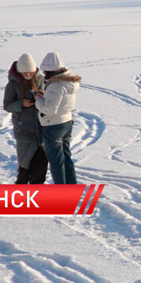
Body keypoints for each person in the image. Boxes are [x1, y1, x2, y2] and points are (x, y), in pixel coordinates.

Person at [34, 52, 81, 184]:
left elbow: (48, 110)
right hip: (66, 122)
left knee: (56, 162)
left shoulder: (56, 85)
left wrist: (38, 98)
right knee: (66, 158)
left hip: (53, 125)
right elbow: (59, 101)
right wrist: (46, 96)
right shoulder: (70, 82)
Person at [3, 53, 48, 184]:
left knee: (40, 167)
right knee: (25, 167)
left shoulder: (42, 81)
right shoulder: (12, 85)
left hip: (42, 130)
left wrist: (43, 95)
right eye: (25, 72)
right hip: (24, 131)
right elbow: (7, 105)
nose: (28, 75)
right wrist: (21, 104)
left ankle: (36, 196)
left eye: (30, 72)